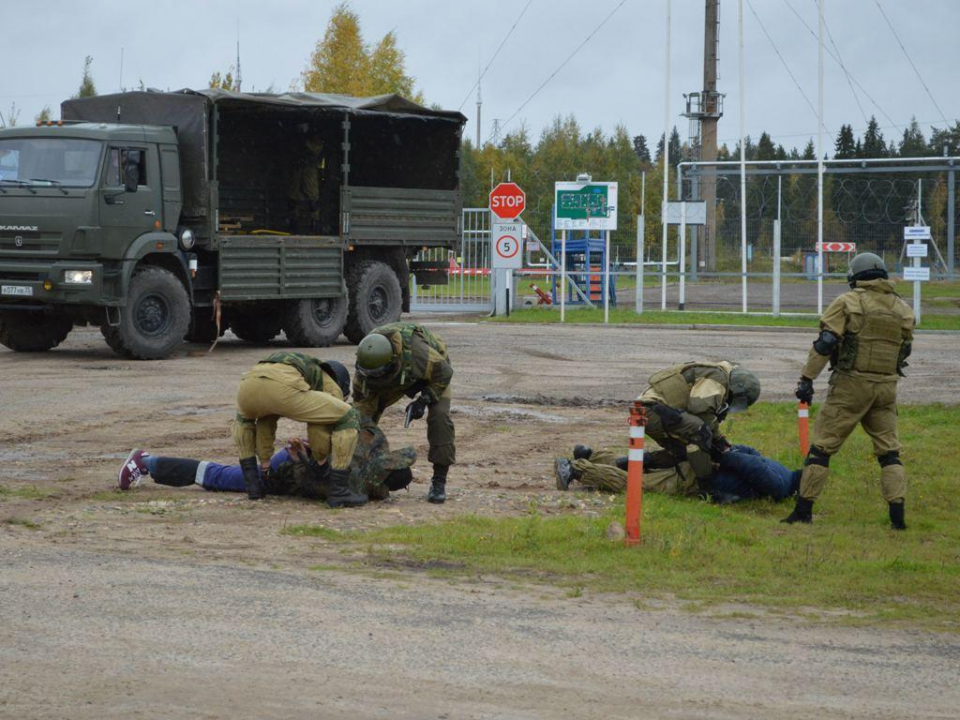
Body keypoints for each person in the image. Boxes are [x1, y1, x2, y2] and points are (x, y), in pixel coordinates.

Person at [783, 252, 915, 529]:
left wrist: (806, 379)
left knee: (821, 449)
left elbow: (826, 343)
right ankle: (898, 520)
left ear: (854, 276)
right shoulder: (903, 308)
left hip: (850, 386)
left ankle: (803, 511)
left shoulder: (847, 302)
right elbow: (905, 348)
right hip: (886, 388)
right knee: (889, 452)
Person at [117, 423, 416, 502]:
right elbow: (314, 482)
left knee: (225, 476)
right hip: (290, 467)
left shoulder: (375, 442)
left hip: (298, 458)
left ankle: (150, 462)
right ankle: (147, 461)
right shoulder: (360, 488)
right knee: (221, 478)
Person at [232, 353, 366, 508]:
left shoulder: (294, 365)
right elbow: (319, 425)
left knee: (244, 421)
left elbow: (266, 422)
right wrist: (320, 461)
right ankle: (339, 493)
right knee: (349, 415)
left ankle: (253, 487)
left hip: (248, 385)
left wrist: (265, 462)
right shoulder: (329, 383)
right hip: (282, 387)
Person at [353, 322, 455, 504]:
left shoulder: (420, 354)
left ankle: (439, 480)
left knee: (439, 418)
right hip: (392, 379)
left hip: (431, 377)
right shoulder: (366, 365)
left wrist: (423, 400)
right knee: (359, 422)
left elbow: (444, 373)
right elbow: (361, 409)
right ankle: (359, 471)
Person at [634, 361, 761, 494]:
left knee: (692, 455)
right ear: (736, 386)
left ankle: (633, 462)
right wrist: (717, 439)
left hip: (655, 412)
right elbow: (701, 412)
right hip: (652, 412)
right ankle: (706, 488)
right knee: (701, 433)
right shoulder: (717, 378)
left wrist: (717, 441)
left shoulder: (716, 375)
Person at [554, 443, 799, 503]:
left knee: (643, 463)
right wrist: (723, 458)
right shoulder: (781, 485)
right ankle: (576, 469)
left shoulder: (783, 470)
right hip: (698, 479)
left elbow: (750, 453)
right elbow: (752, 466)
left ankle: (591, 455)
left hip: (702, 465)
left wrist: (719, 452)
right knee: (639, 483)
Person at [286, 127, 324, 234]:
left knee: (313, 198)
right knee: (293, 197)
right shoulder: (296, 138)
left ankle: (315, 225)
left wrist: (304, 140)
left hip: (309, 169)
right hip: (297, 169)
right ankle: (293, 225)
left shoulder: (313, 138)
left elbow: (316, 149)